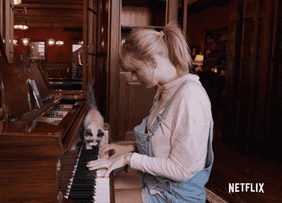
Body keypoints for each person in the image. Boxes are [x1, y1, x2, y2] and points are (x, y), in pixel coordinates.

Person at [87, 21, 214, 202]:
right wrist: (128, 148)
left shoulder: (189, 98)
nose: (133, 78)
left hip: (175, 196)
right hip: (156, 183)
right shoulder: (164, 89)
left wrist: (129, 158)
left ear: (152, 62)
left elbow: (181, 170)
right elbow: (165, 143)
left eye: (135, 70)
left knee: (101, 199)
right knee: (102, 186)